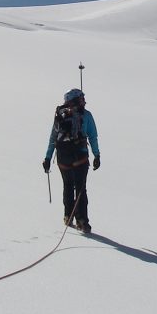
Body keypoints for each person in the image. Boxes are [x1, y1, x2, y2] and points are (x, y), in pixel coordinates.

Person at [43, 88, 100, 232]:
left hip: (63, 158)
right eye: (82, 98)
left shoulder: (61, 115)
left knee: (68, 186)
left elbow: (53, 138)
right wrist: (96, 155)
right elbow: (93, 136)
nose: (84, 101)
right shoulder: (86, 115)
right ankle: (82, 221)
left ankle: (68, 215)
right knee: (81, 189)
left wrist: (48, 157)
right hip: (80, 156)